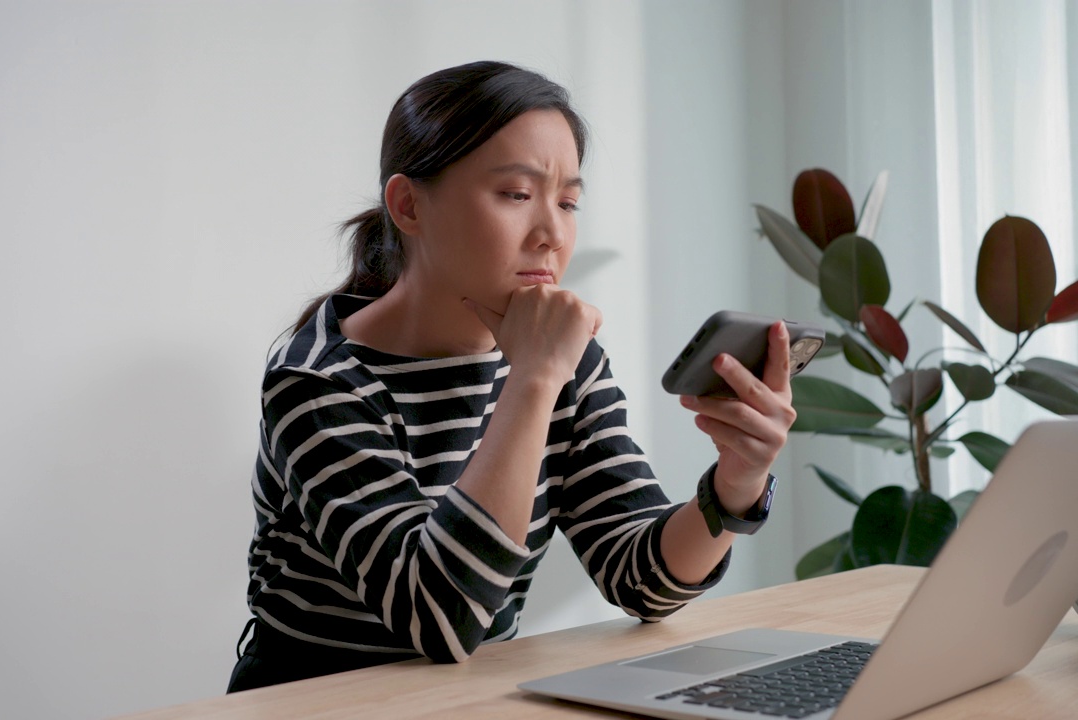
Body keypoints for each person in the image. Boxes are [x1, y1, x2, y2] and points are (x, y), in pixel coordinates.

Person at [228, 60, 796, 692]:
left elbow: (642, 582)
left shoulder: (561, 361)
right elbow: (438, 619)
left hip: (468, 698)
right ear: (408, 205)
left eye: (569, 202)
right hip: (316, 702)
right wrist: (532, 379)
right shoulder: (318, 381)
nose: (553, 234)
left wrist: (736, 485)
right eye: (516, 195)